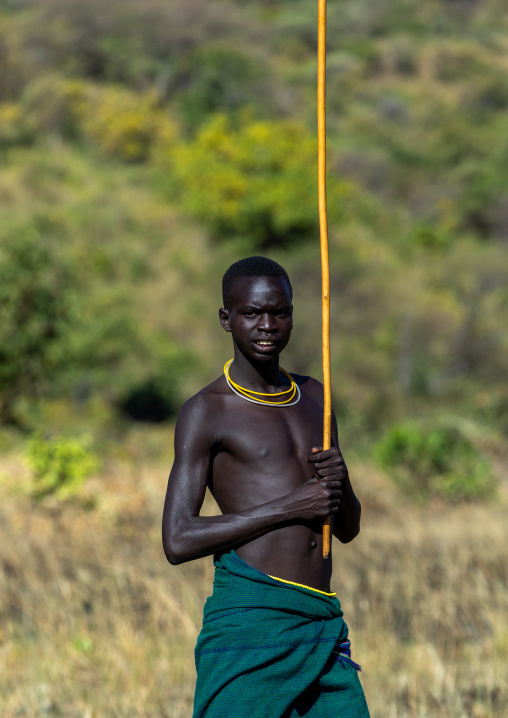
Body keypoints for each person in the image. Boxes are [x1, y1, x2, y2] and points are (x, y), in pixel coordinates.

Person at [162, 256, 370, 717]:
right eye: (252, 313)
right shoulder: (207, 411)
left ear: (294, 314)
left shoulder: (318, 395)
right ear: (226, 319)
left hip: (319, 622)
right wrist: (289, 506)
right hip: (251, 622)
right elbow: (177, 540)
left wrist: (340, 480)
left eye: (280, 312)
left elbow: (348, 528)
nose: (267, 325)